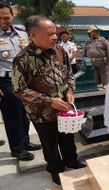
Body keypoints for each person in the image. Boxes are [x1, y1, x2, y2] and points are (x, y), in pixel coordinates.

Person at [12, 15, 86, 186]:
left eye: (55, 33)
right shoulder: (23, 59)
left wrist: (69, 89)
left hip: (63, 106)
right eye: (50, 34)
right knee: (49, 142)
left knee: (67, 137)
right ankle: (55, 169)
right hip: (41, 112)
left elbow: (69, 73)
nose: (55, 37)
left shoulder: (59, 51)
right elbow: (19, 89)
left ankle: (71, 161)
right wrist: (48, 101)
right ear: (33, 35)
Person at [0, 2, 41, 161]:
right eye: (0, 18)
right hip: (6, 80)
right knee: (12, 116)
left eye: (6, 17)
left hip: (26, 80)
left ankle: (25, 142)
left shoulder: (22, 33)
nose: (3, 21)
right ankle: (17, 149)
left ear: (12, 16)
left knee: (25, 113)